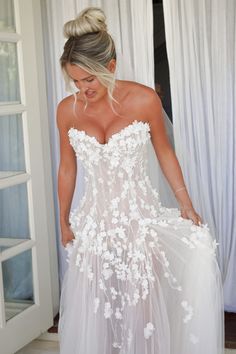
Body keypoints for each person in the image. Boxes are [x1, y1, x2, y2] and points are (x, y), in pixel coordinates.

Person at [57, 7, 224, 354]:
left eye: (89, 79)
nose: (82, 89)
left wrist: (185, 203)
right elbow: (67, 168)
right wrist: (63, 220)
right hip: (93, 224)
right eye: (75, 81)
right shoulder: (67, 110)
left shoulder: (145, 100)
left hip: (139, 220)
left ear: (111, 67)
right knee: (96, 308)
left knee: (143, 305)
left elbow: (165, 153)